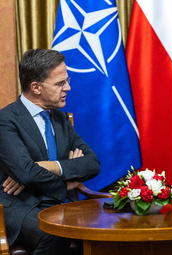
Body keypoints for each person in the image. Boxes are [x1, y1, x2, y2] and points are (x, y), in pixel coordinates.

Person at [0, 49, 101, 255]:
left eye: (67, 80)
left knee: (106, 229)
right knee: (54, 233)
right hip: (22, 206)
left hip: (62, 205)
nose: (68, 88)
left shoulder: (61, 119)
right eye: (60, 83)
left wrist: (51, 167)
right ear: (36, 87)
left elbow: (92, 164)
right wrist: (67, 180)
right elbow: (26, 173)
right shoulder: (6, 120)